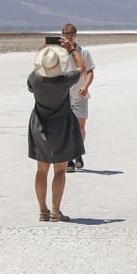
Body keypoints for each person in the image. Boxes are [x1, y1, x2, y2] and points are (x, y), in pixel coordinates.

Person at [28, 38, 86, 222]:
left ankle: (42, 211)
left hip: (39, 126)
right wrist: (72, 50)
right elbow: (81, 69)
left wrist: (43, 52)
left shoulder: (35, 79)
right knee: (60, 170)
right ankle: (55, 210)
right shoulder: (63, 80)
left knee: (41, 170)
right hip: (61, 127)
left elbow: (34, 73)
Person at [62, 23, 95, 172]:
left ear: (75, 34)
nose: (68, 36)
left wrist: (85, 86)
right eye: (65, 33)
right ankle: (69, 158)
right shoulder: (59, 53)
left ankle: (78, 153)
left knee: (80, 128)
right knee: (67, 128)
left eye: (71, 33)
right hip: (63, 95)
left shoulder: (84, 52)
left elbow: (90, 72)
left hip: (80, 95)